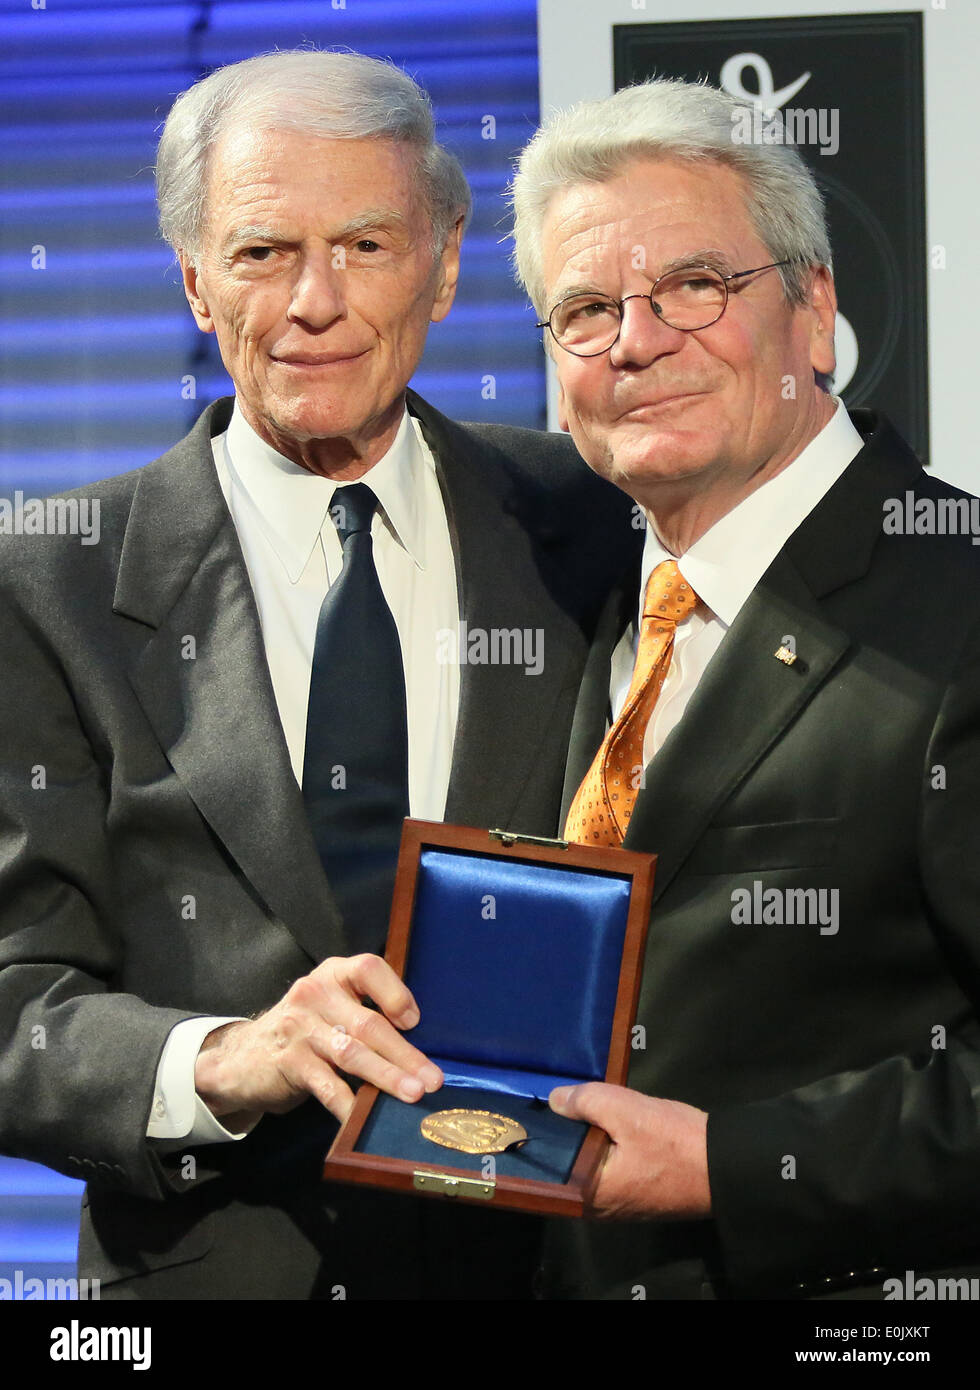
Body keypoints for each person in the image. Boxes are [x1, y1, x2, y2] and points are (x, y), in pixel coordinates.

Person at [0, 49, 631, 1299]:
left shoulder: (590, 518)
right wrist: (224, 1056)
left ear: (445, 267)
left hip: (545, 1270)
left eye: (364, 245)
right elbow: (14, 1002)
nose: (314, 302)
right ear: (191, 282)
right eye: (260, 252)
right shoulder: (51, 578)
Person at [510, 77, 980, 1300]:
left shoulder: (958, 603)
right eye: (584, 309)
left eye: (693, 286)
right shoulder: (571, 608)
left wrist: (732, 1161)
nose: (636, 338)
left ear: (813, 312)